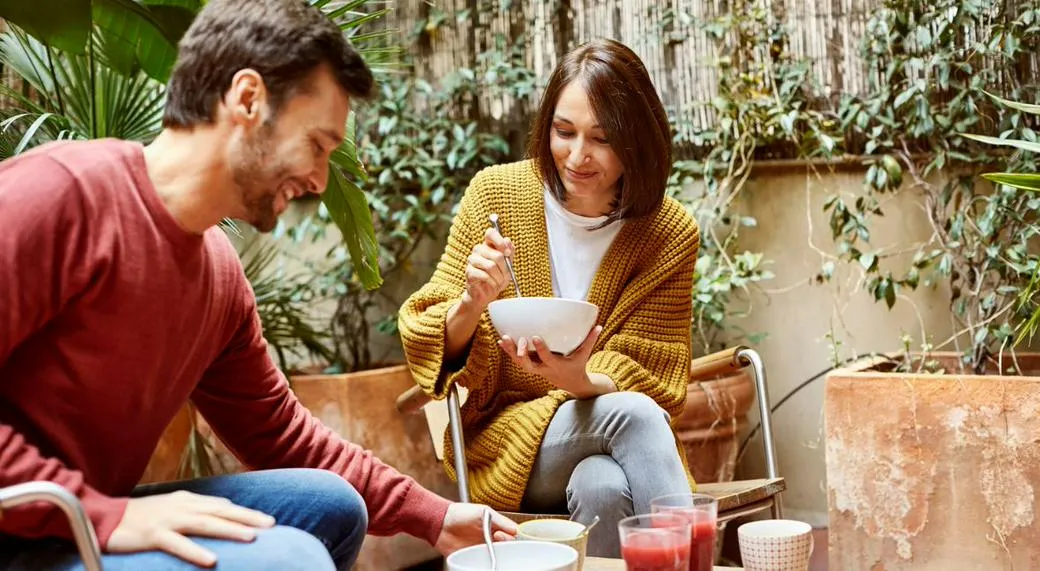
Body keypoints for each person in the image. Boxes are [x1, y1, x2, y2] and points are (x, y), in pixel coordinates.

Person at [0, 0, 517, 569]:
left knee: (328, 505)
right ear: (247, 99)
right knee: (290, 557)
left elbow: (283, 435)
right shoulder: (59, 194)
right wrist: (100, 515)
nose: (321, 179)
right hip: (24, 528)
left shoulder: (218, 274)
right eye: (317, 145)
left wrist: (436, 516)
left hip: (78, 518)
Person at [398, 38, 700, 558]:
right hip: (505, 441)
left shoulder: (666, 232)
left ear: (638, 142)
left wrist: (579, 380)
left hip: (602, 427)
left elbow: (656, 371)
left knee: (601, 484)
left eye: (602, 140)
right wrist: (472, 303)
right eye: (564, 132)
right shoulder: (496, 195)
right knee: (635, 417)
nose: (577, 156)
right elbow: (425, 336)